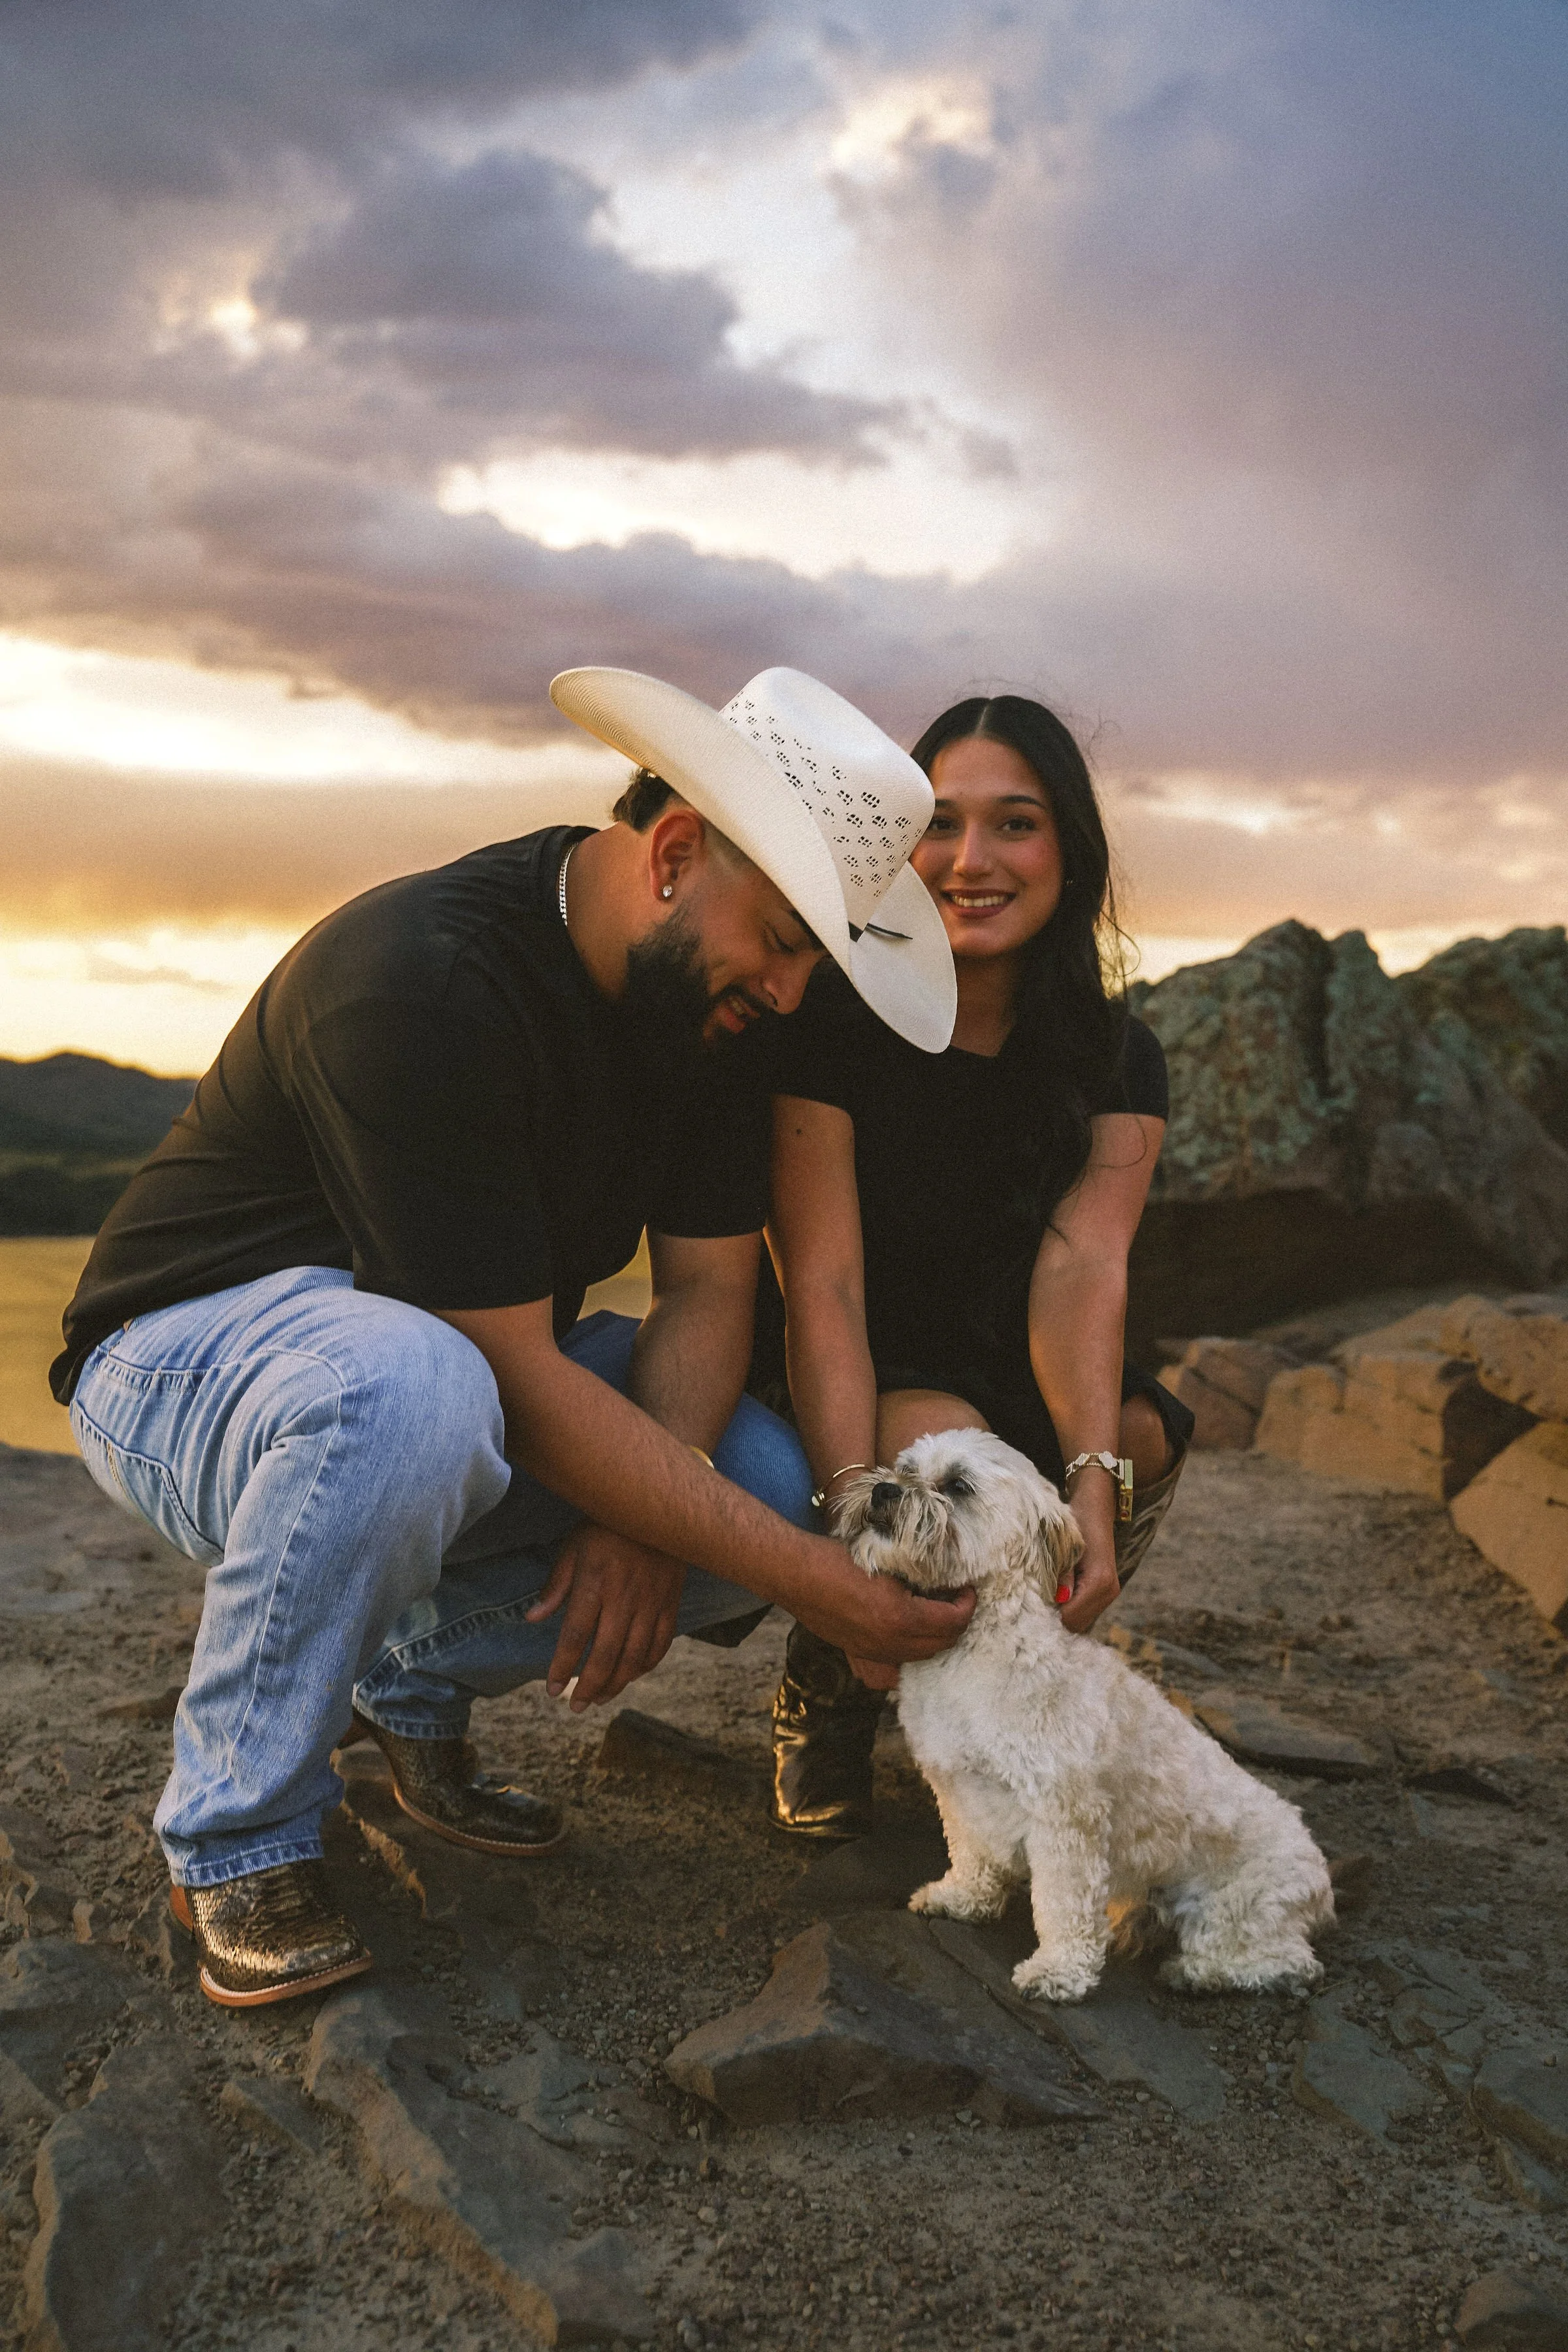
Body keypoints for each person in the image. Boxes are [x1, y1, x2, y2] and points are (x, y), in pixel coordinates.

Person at [52, 664, 972, 2007]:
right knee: (420, 1392)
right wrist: (817, 1584)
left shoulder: (710, 1020)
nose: (788, 991)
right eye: (781, 939)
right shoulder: (423, 981)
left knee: (758, 1490)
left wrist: (655, 1518)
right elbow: (507, 1375)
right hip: (186, 1358)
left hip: (445, 1370)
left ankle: (400, 1692)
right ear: (671, 854)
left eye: (815, 961)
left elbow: (711, 1293)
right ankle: (237, 1832)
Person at [760, 693, 1195, 1838]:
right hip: (855, 1352)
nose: (971, 860)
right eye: (940, 823)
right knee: (955, 1447)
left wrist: (1093, 1498)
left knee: (1139, 1444)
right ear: (898, 847)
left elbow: (1084, 1271)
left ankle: (1008, 1677)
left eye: (1016, 824)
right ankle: (831, 1670)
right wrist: (855, 1544)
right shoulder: (834, 1023)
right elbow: (826, 1286)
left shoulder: (1115, 1053)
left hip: (1010, 1351)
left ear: (1070, 852)